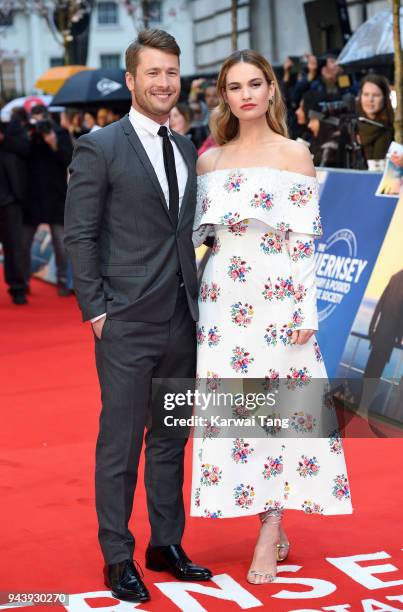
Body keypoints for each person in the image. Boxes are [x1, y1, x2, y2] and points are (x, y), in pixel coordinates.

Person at [191, 49, 353, 584]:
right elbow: (200, 239)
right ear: (225, 96)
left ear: (271, 90)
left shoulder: (295, 155)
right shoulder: (209, 161)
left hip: (278, 299)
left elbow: (306, 241)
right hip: (223, 304)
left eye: (255, 83)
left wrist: (304, 307)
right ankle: (266, 516)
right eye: (234, 87)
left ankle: (271, 524)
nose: (246, 94)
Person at [64, 29, 212, 604]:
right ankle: (118, 555)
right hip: (125, 322)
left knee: (172, 438)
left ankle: (165, 543)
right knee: (121, 442)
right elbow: (80, 233)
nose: (163, 83)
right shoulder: (100, 146)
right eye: (153, 73)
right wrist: (97, 311)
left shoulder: (184, 148)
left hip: (182, 318)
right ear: (131, 81)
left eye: (172, 72)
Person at [23, 105, 73, 296]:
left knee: (61, 243)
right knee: (24, 243)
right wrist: (29, 136)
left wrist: (54, 144)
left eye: (42, 119)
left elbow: (69, 159)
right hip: (32, 197)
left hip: (56, 195)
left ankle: (63, 280)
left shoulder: (59, 133)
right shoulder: (28, 134)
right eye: (36, 120)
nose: (40, 124)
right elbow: (20, 156)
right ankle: (23, 279)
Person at [357, 74, 394, 164]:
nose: (370, 99)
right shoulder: (351, 127)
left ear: (385, 98)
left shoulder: (394, 127)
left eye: (376, 95)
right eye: (366, 94)